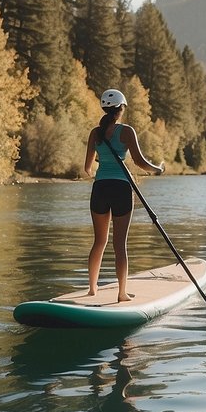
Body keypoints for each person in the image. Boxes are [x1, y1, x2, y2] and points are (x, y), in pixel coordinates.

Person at [84, 88, 165, 301]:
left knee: (99, 241)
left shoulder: (95, 133)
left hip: (100, 188)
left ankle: (92, 289)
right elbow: (139, 162)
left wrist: (103, 163)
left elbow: (87, 168)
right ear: (120, 109)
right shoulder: (127, 131)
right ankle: (121, 293)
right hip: (121, 189)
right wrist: (158, 169)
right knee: (120, 244)